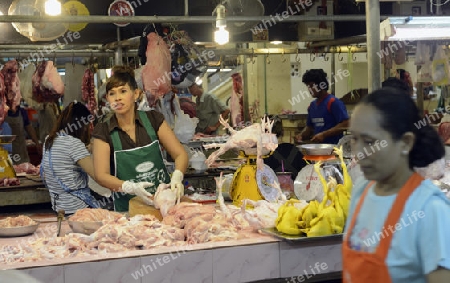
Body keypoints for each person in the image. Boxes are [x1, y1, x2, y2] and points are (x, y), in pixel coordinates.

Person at [344, 87, 450, 283]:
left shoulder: (430, 209)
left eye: (369, 141)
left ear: (406, 142)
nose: (359, 152)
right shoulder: (361, 192)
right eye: (354, 139)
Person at [92, 66, 188, 212]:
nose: (117, 98)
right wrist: (129, 187)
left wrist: (177, 176)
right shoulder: (103, 130)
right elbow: (101, 175)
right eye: (112, 94)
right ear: (108, 99)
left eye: (123, 91)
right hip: (128, 209)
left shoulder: (154, 119)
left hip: (165, 203)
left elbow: (180, 154)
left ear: (136, 94)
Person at [40, 102, 99, 215]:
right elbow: (98, 175)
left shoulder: (49, 140)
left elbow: (65, 159)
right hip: (77, 208)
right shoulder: (74, 144)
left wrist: (87, 149)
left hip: (58, 207)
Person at [295, 69, 349, 144]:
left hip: (334, 149)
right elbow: (309, 127)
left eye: (311, 85)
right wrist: (301, 135)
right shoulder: (312, 106)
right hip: (318, 148)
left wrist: (324, 135)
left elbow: (345, 124)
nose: (309, 89)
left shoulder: (333, 103)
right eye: (308, 86)